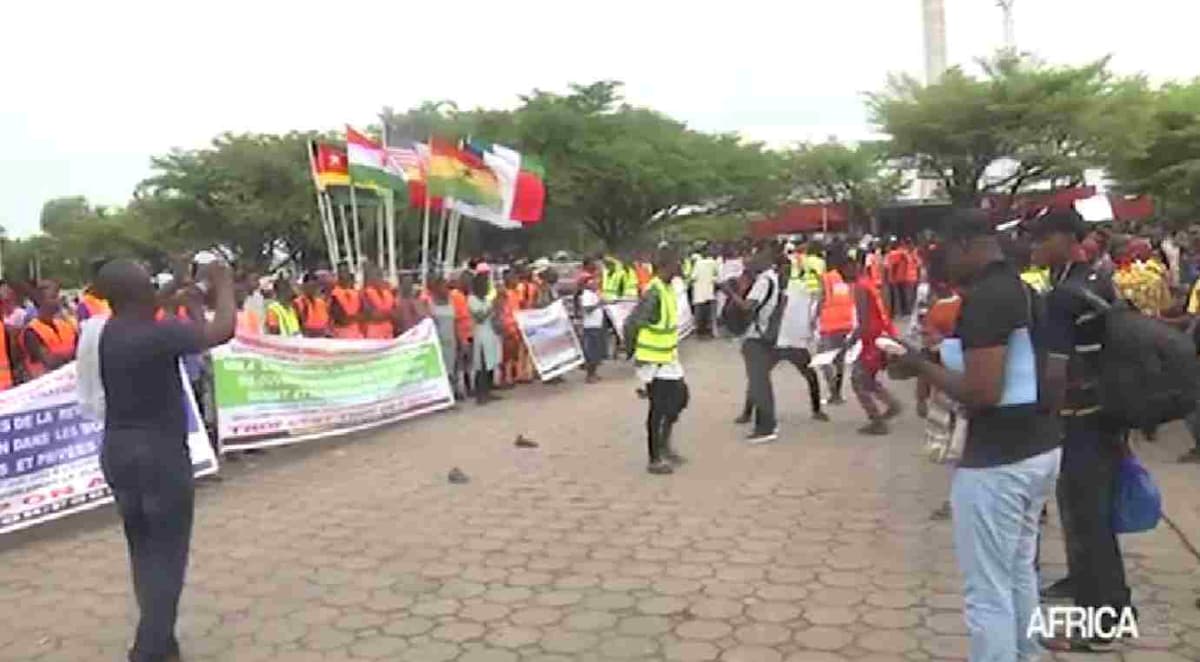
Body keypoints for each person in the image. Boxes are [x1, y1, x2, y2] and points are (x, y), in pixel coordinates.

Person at [891, 209, 1064, 662]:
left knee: (986, 590)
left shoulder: (987, 299)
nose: (941, 267)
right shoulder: (1024, 289)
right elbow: (1036, 370)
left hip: (998, 461)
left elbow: (983, 392)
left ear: (965, 246)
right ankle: (1029, 652)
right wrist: (936, 355)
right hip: (1039, 446)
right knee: (1018, 571)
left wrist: (919, 366)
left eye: (942, 254)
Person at [93, 258, 235, 662]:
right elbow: (221, 330)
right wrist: (222, 285)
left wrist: (180, 288)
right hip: (159, 457)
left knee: (144, 551)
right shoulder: (158, 333)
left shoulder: (111, 330)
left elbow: (151, 303)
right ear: (139, 293)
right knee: (169, 557)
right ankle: (149, 648)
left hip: (119, 453)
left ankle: (164, 642)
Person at [1030, 208, 1134, 652]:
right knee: (1092, 520)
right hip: (1107, 414)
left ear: (1062, 238)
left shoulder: (1065, 295)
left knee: (1087, 523)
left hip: (1080, 420)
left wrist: (1042, 419)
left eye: (1039, 239)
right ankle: (1088, 591)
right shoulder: (1095, 279)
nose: (1034, 247)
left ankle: (1102, 626)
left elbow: (1057, 372)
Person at [623, 251, 687, 475]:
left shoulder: (668, 288)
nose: (679, 267)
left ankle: (665, 444)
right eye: (676, 263)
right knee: (658, 409)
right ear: (664, 266)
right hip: (653, 361)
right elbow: (632, 323)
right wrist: (632, 353)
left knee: (680, 399)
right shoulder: (654, 292)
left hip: (668, 358)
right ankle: (655, 457)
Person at [839, 255, 902, 435]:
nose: (842, 276)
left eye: (843, 270)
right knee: (868, 379)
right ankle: (893, 404)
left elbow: (864, 322)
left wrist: (849, 342)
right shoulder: (869, 284)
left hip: (871, 340)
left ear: (852, 266)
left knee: (858, 381)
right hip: (880, 335)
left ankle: (877, 421)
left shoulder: (860, 288)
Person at [814, 247, 856, 405]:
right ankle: (837, 392)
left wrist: (813, 319)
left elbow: (821, 299)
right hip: (846, 323)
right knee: (839, 360)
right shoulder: (848, 278)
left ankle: (834, 392)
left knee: (823, 358)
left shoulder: (826, 278)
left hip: (829, 324)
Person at [22, 281, 77, 380]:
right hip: (46, 388)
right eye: (53, 297)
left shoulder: (66, 325)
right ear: (40, 301)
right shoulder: (31, 331)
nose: (59, 300)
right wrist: (72, 355)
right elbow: (50, 361)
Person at [468, 272, 502, 405]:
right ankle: (480, 394)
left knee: (491, 363)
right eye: (485, 284)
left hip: (490, 333)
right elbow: (479, 317)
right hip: (480, 334)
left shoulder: (487, 299)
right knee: (481, 365)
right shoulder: (472, 299)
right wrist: (491, 307)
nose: (487, 287)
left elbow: (493, 316)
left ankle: (488, 390)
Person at [427, 277, 460, 397]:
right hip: (438, 342)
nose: (446, 290)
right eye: (443, 287)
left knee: (452, 368)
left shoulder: (451, 301)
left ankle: (452, 393)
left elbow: (454, 322)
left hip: (451, 340)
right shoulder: (430, 302)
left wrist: (459, 339)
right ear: (436, 288)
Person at [578, 274, 606, 382]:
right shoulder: (587, 295)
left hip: (597, 324)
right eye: (591, 282)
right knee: (591, 352)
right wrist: (598, 304)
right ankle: (590, 375)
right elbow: (587, 309)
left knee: (596, 351)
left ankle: (594, 373)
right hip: (591, 326)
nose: (595, 283)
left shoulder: (594, 294)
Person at [690, 247, 719, 338]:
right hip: (709, 291)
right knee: (709, 312)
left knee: (699, 312)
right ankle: (710, 331)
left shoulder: (698, 263)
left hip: (699, 291)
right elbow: (717, 274)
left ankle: (699, 332)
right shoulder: (713, 263)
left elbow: (693, 277)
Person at [362, 265, 396, 339]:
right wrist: (388, 314)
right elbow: (372, 316)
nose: (380, 278)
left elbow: (396, 314)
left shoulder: (388, 293)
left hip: (388, 331)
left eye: (380, 275)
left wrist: (384, 315)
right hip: (374, 332)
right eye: (377, 275)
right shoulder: (365, 293)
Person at [329, 267, 364, 339]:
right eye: (342, 276)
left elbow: (364, 314)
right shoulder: (334, 294)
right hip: (342, 333)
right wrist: (356, 318)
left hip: (357, 332)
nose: (345, 278)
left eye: (346, 275)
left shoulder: (356, 293)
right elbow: (340, 319)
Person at [294, 274, 331, 338]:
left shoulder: (321, 303)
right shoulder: (298, 302)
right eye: (310, 286)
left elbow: (326, 323)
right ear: (304, 286)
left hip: (323, 338)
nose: (313, 288)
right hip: (308, 339)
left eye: (315, 286)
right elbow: (301, 325)